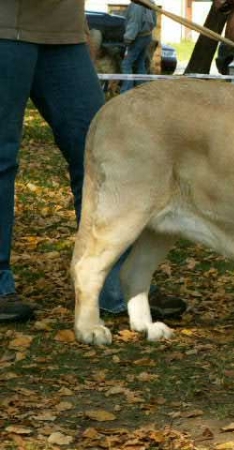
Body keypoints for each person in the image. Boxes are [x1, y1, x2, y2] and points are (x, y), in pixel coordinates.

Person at [0, 1, 185, 323]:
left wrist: (82, 31)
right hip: (5, 29)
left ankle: (118, 284)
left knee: (103, 160)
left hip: (63, 33)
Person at [120, 0, 157, 93]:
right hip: (147, 36)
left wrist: (127, 40)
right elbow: (154, 22)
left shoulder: (137, 5)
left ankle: (126, 91)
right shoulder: (150, 3)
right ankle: (142, 89)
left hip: (138, 37)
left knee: (126, 64)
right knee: (140, 62)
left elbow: (134, 24)